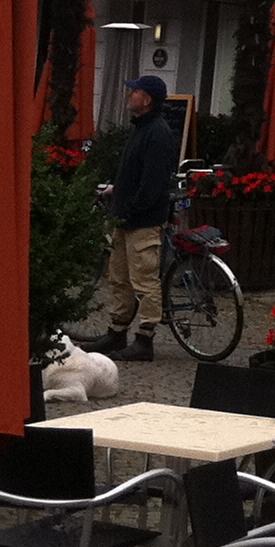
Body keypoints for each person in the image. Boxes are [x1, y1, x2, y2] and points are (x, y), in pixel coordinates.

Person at [92, 75, 179, 360]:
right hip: (125, 218)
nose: (130, 94)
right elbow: (136, 173)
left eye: (135, 91)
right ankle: (117, 332)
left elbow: (153, 184)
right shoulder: (141, 129)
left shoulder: (157, 133)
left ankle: (145, 339)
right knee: (119, 277)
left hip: (141, 220)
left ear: (148, 99)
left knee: (144, 280)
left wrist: (131, 207)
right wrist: (117, 192)